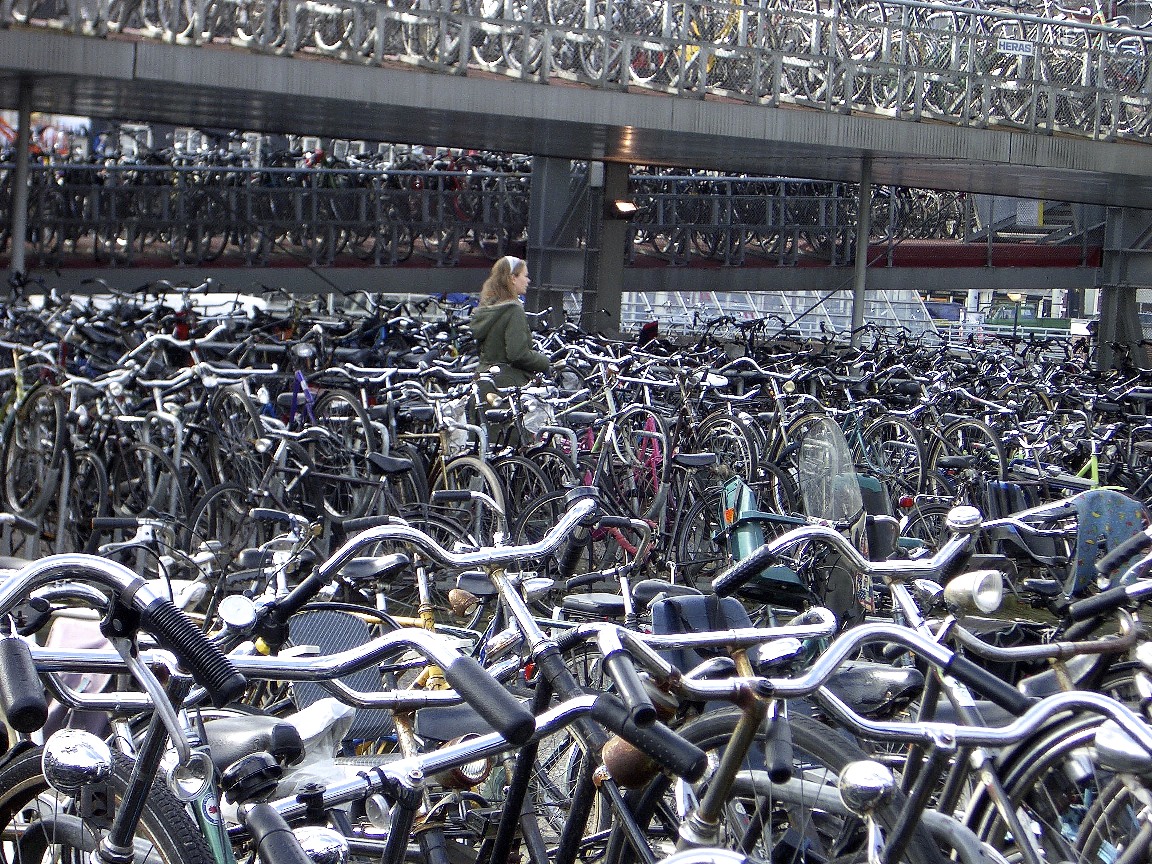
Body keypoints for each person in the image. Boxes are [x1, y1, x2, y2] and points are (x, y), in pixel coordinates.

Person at [469, 255, 550, 390]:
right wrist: (544, 362)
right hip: (508, 383)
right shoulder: (513, 310)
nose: (528, 281)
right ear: (513, 278)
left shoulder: (486, 309)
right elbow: (517, 354)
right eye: (525, 276)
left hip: (484, 378)